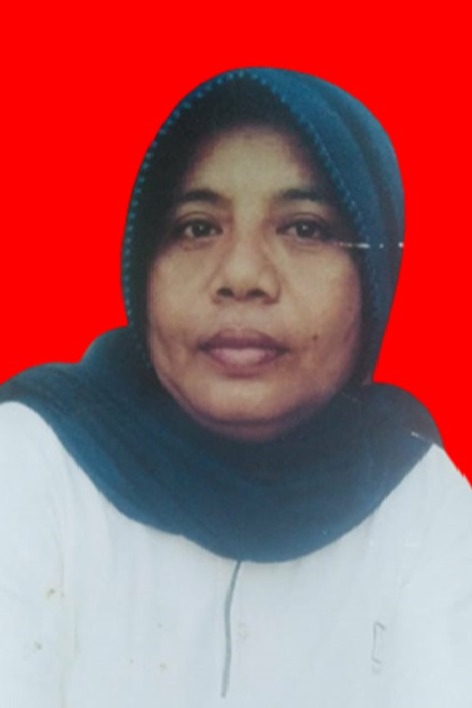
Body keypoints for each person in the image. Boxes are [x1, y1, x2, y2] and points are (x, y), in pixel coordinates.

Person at [0, 68, 471, 707]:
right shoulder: (32, 462)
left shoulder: (423, 503)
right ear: (144, 265)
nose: (242, 274)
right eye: (197, 227)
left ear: (373, 275)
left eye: (304, 228)